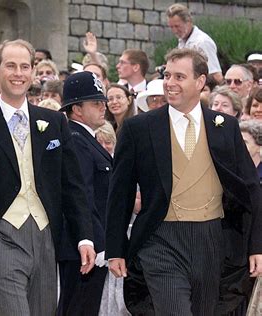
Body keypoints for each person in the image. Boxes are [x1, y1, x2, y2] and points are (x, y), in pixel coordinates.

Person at [0, 39, 96, 316]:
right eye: (11, 66)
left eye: (25, 66)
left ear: (33, 72)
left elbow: (73, 186)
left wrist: (85, 236)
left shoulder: (55, 123)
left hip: (46, 238)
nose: (18, 73)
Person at [106, 47, 262, 315]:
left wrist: (256, 245)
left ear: (200, 82)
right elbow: (120, 191)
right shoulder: (139, 128)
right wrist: (115, 248)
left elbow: (250, 189)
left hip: (212, 239)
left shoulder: (225, 126)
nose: (170, 83)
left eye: (180, 76)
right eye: (167, 75)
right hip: (160, 239)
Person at [57, 71, 111, 316]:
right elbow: (82, 195)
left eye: (103, 102)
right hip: (83, 246)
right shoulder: (76, 140)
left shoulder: (85, 139)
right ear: (76, 109)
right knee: (78, 309)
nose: (103, 107)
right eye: (96, 103)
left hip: (85, 244)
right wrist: (95, 241)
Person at [166, 3, 223, 83]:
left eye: (177, 26)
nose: (174, 31)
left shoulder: (202, 42)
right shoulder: (182, 41)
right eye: (171, 27)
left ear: (188, 22)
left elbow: (216, 76)